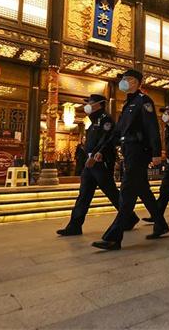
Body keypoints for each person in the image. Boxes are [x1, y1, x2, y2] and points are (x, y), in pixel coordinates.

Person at [92, 70, 168, 250]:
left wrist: (156, 152)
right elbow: (117, 132)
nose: (123, 82)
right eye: (123, 79)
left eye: (127, 79)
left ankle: (114, 237)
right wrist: (102, 150)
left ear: (136, 82)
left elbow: (152, 127)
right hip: (128, 150)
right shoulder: (128, 104)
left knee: (127, 191)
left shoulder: (144, 101)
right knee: (143, 190)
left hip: (139, 151)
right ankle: (160, 224)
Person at [57, 94, 120, 236]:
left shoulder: (106, 119)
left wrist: (97, 154)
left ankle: (128, 217)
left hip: (100, 162)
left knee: (111, 192)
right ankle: (74, 226)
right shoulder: (93, 121)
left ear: (99, 104)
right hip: (90, 163)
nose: (88, 105)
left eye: (90, 103)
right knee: (84, 194)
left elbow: (107, 139)